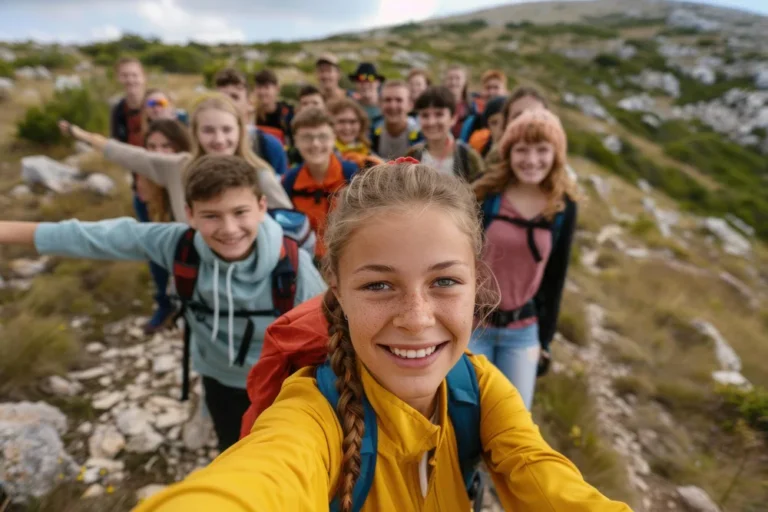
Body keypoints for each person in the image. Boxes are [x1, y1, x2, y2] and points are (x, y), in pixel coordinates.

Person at [134, 160, 631, 512]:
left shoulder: (481, 389)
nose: (416, 319)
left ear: (476, 281)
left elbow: (546, 477)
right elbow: (262, 477)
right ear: (336, 289)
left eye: (444, 281)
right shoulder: (311, 409)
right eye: (378, 285)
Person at [0, 155, 326, 451]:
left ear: (262, 206)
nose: (229, 229)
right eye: (211, 215)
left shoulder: (294, 268)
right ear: (190, 215)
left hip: (282, 385)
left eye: (240, 212)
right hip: (217, 379)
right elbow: (91, 237)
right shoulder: (177, 245)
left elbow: (328, 336)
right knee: (232, 450)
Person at [471, 109, 579, 410]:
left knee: (513, 423)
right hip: (473, 324)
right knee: (464, 418)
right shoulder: (487, 192)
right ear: (508, 152)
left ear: (556, 154)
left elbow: (556, 277)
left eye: (542, 149)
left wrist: (545, 341)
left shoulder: (562, 206)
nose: (532, 160)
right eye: (522, 149)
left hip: (522, 332)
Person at [59, 92, 293, 225]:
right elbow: (128, 154)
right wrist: (80, 134)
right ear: (195, 133)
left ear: (240, 131)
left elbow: (290, 223)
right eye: (209, 131)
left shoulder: (259, 174)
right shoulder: (179, 168)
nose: (219, 139)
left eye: (227, 130)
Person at [134, 118, 193, 333]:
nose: (158, 153)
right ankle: (166, 304)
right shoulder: (146, 182)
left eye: (166, 146)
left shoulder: (189, 172)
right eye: (152, 147)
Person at [282, 107, 359, 262]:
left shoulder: (353, 175)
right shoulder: (290, 181)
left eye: (323, 137)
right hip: (306, 259)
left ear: (333, 138)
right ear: (295, 141)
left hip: (348, 256)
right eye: (307, 138)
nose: (315, 144)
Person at [214, 68, 289, 176]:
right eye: (221, 98)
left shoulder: (269, 145)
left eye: (234, 97)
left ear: (250, 103)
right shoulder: (205, 143)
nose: (227, 103)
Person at [407, 86, 485, 181]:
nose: (431, 122)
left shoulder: (469, 157)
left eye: (439, 114)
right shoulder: (413, 155)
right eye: (425, 115)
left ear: (453, 118)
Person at [370, 80, 422, 159]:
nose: (392, 106)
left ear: (410, 105)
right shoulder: (370, 132)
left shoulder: (421, 135)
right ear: (380, 104)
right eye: (388, 100)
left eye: (399, 100)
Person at [327, 98, 384, 170]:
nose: (347, 127)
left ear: (361, 124)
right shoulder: (325, 152)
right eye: (341, 121)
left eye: (352, 122)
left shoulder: (366, 149)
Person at [253, 69, 294, 146]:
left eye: (266, 87)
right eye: (259, 87)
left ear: (277, 89)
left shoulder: (288, 113)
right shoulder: (251, 115)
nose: (262, 92)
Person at [468, 95, 507, 159]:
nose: (500, 127)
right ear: (488, 126)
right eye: (494, 123)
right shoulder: (480, 147)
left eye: (505, 121)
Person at [442, 64, 476, 139]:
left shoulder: (472, 106)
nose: (453, 82)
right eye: (450, 78)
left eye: (457, 78)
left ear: (464, 82)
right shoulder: (437, 104)